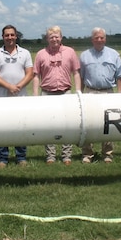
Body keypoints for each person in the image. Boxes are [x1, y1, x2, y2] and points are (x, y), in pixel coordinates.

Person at [32, 26, 81, 165]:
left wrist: (78, 92)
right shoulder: (41, 54)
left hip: (66, 92)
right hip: (47, 93)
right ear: (47, 39)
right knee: (49, 125)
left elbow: (76, 73)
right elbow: (36, 76)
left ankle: (66, 156)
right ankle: (51, 156)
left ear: (61, 37)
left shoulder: (70, 52)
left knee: (68, 124)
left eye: (56, 36)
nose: (54, 39)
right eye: (51, 37)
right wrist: (35, 96)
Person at [0, 24, 34, 168]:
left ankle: (21, 157)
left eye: (12, 35)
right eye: (6, 35)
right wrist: (9, 87)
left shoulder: (25, 53)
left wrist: (18, 86)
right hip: (2, 97)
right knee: (3, 127)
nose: (9, 38)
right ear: (3, 37)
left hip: (20, 97)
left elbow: (30, 73)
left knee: (21, 127)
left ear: (16, 36)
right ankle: (2, 158)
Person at [79, 28, 121, 163]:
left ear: (105, 39)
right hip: (90, 92)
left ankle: (107, 154)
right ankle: (87, 154)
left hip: (108, 93)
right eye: (96, 38)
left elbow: (120, 76)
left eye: (101, 37)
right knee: (88, 123)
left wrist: (119, 94)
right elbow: (81, 77)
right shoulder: (84, 56)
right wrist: (81, 95)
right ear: (92, 39)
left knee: (109, 123)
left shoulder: (114, 54)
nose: (99, 40)